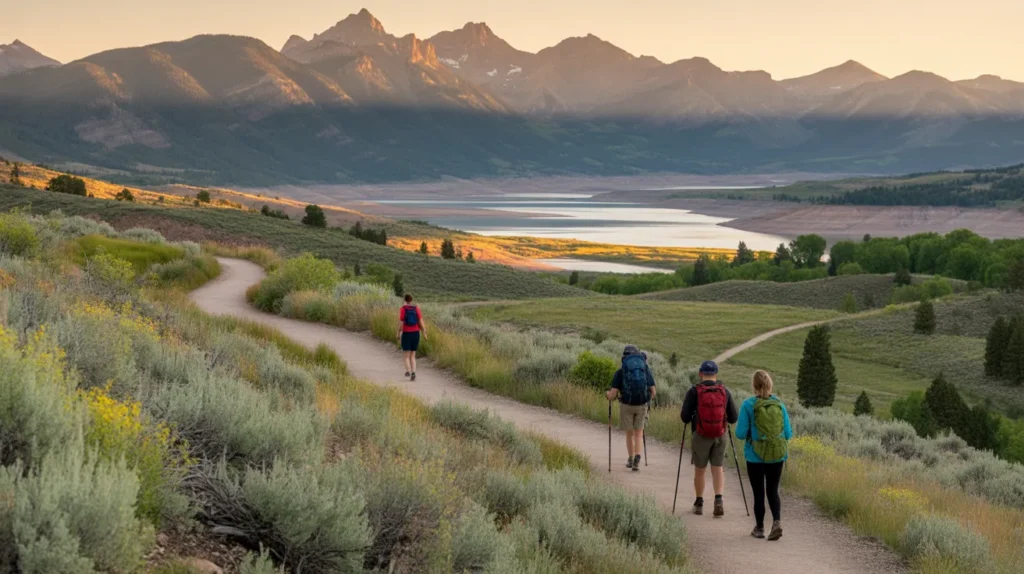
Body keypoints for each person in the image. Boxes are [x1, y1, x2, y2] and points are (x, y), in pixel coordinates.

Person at [735, 370, 792, 541]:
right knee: (773, 490)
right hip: (777, 455)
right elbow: (788, 433)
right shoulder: (779, 404)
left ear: (754, 385)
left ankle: (759, 528)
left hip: (755, 456)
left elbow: (740, 433)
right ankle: (776, 522)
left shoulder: (748, 405)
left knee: (758, 492)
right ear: (770, 384)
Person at [680, 360, 738, 517]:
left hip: (700, 435)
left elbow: (684, 417)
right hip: (720, 434)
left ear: (700, 374)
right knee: (717, 468)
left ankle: (699, 503)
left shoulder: (694, 391)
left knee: (700, 470)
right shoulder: (724, 391)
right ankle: (718, 500)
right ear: (716, 374)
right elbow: (733, 418)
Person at [605, 345, 656, 471]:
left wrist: (607, 395)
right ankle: (637, 457)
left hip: (626, 405)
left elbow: (613, 395)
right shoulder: (645, 369)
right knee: (639, 433)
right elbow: (653, 392)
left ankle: (631, 458)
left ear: (624, 357)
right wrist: (646, 399)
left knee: (629, 434)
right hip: (641, 405)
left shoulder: (620, 372)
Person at [397, 294, 427, 380]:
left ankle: (408, 371)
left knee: (406, 355)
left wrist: (398, 332)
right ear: (411, 300)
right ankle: (413, 372)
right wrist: (424, 332)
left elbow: (401, 323)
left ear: (404, 300)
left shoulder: (403, 309)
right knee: (413, 355)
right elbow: (421, 321)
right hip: (416, 333)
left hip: (406, 333)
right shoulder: (416, 308)